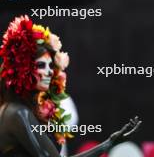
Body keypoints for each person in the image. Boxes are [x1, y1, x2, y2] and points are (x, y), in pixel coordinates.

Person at [0, 15, 141, 157]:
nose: (49, 71)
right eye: (41, 65)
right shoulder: (18, 113)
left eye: (51, 65)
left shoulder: (19, 110)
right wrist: (107, 144)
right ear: (23, 69)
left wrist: (109, 143)